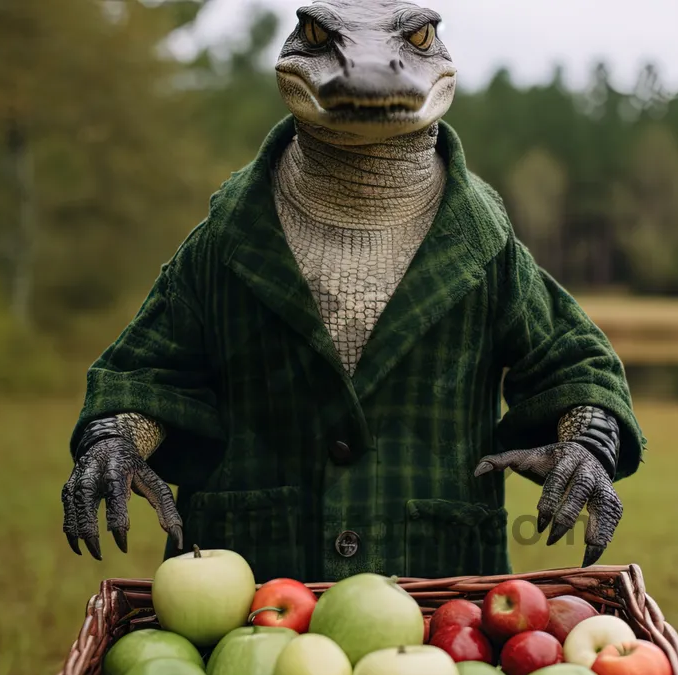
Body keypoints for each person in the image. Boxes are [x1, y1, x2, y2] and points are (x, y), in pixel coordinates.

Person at [60, 0, 645, 584]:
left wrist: (588, 441)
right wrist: (114, 440)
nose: (367, 69)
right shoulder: (227, 241)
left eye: (417, 39)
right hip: (246, 585)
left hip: (437, 592)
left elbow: (571, 362)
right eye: (318, 35)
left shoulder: (485, 247)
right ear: (295, 48)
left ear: (437, 50)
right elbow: (146, 372)